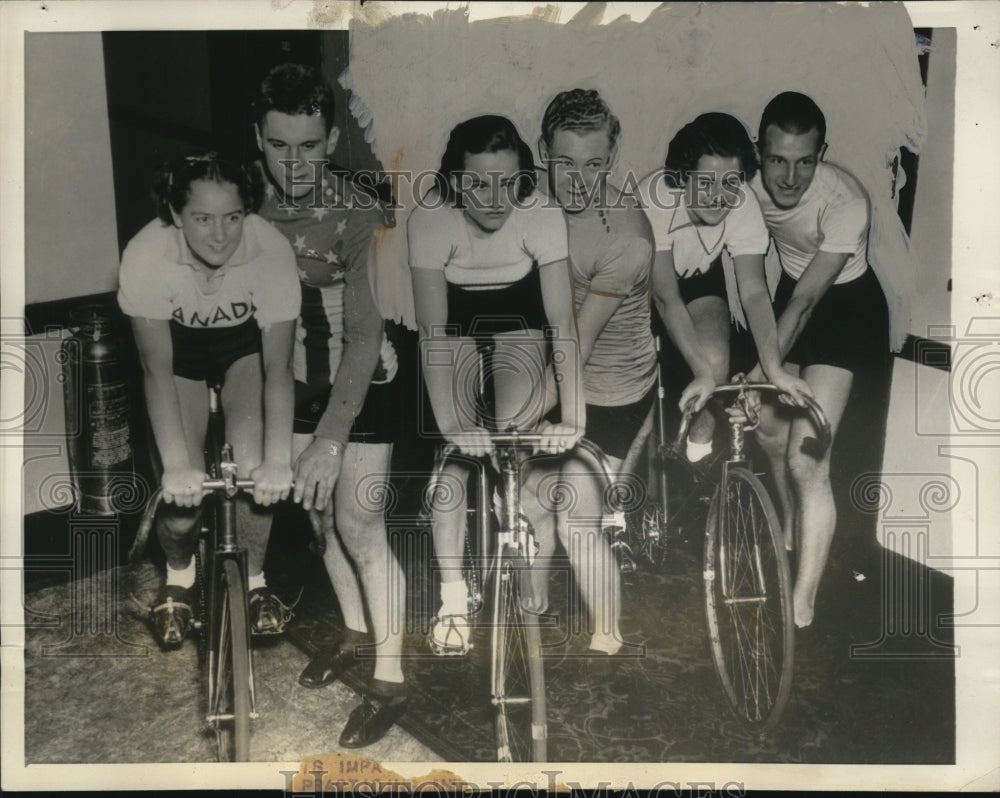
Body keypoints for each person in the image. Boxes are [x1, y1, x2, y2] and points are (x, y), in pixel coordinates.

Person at [251, 63, 408, 747]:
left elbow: (370, 333)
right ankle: (351, 631)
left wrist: (331, 439)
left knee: (360, 522)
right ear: (258, 139)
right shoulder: (245, 213)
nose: (295, 163)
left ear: (331, 138)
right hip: (296, 384)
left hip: (362, 381)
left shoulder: (356, 209)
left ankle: (394, 677)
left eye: (310, 146)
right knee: (317, 523)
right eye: (281, 146)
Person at [407, 114, 584, 655]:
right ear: (455, 179)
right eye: (478, 182)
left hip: (520, 319)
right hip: (455, 324)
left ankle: (531, 588)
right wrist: (454, 429)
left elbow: (561, 324)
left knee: (516, 444)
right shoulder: (430, 219)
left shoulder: (542, 215)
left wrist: (575, 416)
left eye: (507, 182)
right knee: (452, 467)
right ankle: (453, 599)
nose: (493, 197)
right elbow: (434, 333)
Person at [118, 153, 299, 648]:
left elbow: (279, 369)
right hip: (177, 361)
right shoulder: (146, 254)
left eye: (232, 217)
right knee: (182, 509)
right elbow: (155, 370)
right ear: (176, 215)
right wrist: (176, 466)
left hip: (244, 354)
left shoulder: (272, 250)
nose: (219, 235)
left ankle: (256, 583)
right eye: (201, 218)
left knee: (255, 472)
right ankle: (178, 575)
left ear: (248, 213)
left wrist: (280, 462)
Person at [748, 91, 889, 629]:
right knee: (765, 432)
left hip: (845, 311)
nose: (789, 177)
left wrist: (765, 367)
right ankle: (790, 528)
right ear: (758, 151)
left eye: (804, 161)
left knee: (807, 459)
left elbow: (809, 303)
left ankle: (801, 603)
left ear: (822, 153)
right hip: (792, 298)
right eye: (777, 159)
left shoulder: (846, 200)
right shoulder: (744, 184)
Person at [532, 88, 657, 681]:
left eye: (593, 164)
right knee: (528, 504)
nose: (578, 179)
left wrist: (525, 413)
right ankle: (529, 614)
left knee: (570, 513)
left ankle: (608, 640)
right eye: (564, 163)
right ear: (541, 152)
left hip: (612, 395)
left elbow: (575, 340)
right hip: (553, 371)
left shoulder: (625, 233)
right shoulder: (530, 208)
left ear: (612, 158)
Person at [638, 112, 811, 463]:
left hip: (698, 277)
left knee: (716, 363)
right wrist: (698, 372)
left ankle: (697, 458)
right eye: (706, 183)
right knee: (636, 394)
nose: (719, 197)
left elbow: (753, 291)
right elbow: (665, 297)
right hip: (641, 287)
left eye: (730, 183)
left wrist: (774, 369)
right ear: (683, 177)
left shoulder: (742, 204)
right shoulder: (654, 197)